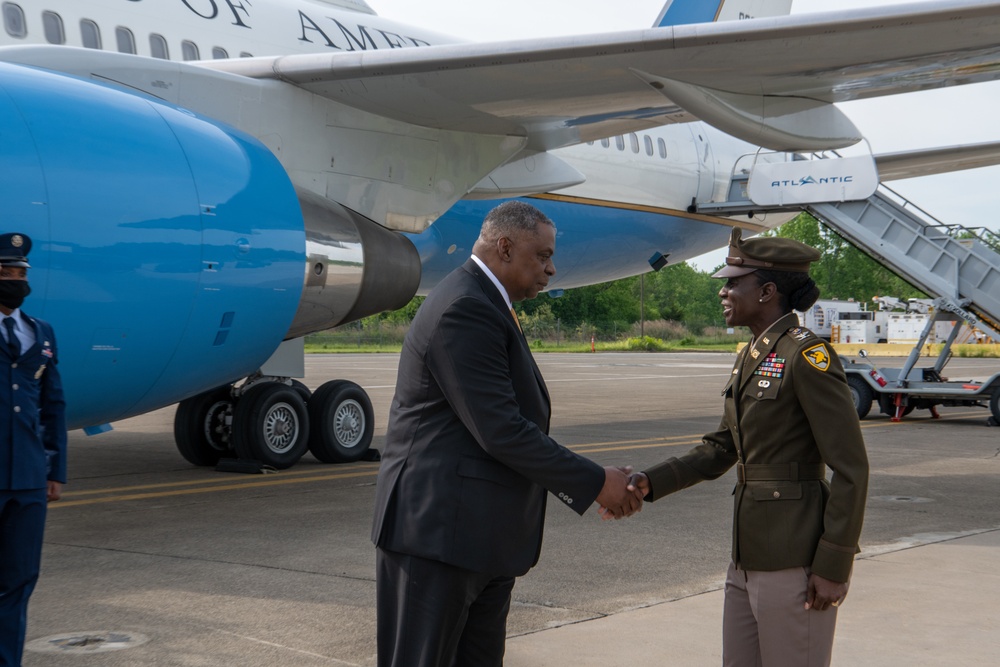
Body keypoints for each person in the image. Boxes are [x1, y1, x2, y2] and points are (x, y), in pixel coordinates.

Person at [371, 201, 642, 667]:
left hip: (476, 541)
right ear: (504, 247)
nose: (551, 269)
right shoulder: (465, 307)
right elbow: (501, 431)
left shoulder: (487, 302)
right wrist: (597, 482)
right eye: (542, 256)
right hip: (438, 539)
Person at [631, 228, 869, 667]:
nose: (723, 291)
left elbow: (852, 467)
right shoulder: (752, 356)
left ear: (767, 291)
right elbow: (721, 447)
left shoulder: (807, 357)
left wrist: (834, 564)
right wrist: (649, 482)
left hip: (795, 559)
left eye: (732, 282)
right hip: (746, 556)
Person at [0, 232, 67, 666]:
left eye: (20, 273)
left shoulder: (40, 332)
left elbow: (52, 405)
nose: (15, 279)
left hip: (26, 478)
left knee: (20, 579)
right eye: (6, 272)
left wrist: (55, 470)